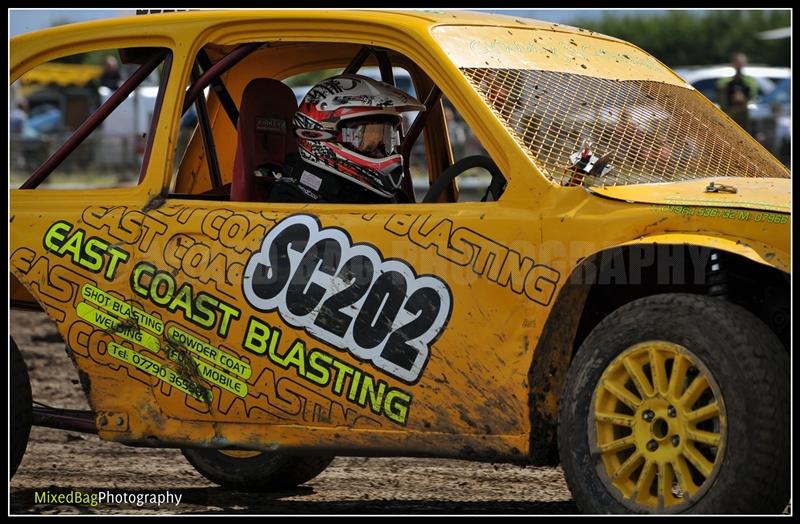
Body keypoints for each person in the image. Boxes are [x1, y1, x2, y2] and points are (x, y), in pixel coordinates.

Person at [268, 74, 424, 204]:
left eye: (384, 137)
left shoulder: (372, 193)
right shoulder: (291, 199)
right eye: (367, 140)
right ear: (317, 135)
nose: (380, 149)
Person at [716, 53, 759, 133]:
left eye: (741, 63)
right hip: (728, 115)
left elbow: (753, 94)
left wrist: (743, 97)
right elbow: (720, 93)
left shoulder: (749, 81)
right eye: (737, 62)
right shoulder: (725, 80)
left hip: (744, 116)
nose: (739, 65)